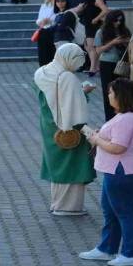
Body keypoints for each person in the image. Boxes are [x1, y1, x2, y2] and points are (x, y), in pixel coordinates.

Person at [79, 79, 133, 266]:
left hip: (121, 170)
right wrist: (101, 136)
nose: (108, 96)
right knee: (110, 209)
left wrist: (96, 139)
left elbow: (118, 147)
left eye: (111, 93)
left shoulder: (127, 119)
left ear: (121, 96)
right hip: (120, 169)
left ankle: (132, 253)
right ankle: (107, 248)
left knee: (124, 211)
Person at [33, 43, 97, 216]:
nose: (79, 65)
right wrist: (83, 92)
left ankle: (57, 203)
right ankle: (68, 207)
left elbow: (55, 100)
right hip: (69, 129)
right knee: (72, 164)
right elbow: (73, 109)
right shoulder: (67, 77)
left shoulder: (42, 72)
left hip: (49, 127)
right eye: (77, 60)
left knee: (57, 164)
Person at [93, 10, 130, 120]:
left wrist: (125, 42)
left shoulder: (124, 30)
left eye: (120, 21)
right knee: (109, 91)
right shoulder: (101, 32)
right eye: (115, 21)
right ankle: (109, 118)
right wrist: (113, 42)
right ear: (110, 20)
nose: (118, 23)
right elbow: (98, 50)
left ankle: (122, 115)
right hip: (107, 64)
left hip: (122, 63)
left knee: (122, 90)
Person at [71, 0, 108, 75]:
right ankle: (96, 67)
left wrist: (96, 19)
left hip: (94, 25)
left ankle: (93, 68)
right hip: (88, 25)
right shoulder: (89, 0)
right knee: (87, 47)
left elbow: (105, 10)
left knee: (91, 47)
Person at [35, 0, 61, 65]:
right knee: (42, 54)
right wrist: (42, 21)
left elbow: (61, 19)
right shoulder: (44, 6)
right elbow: (38, 20)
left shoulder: (61, 6)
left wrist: (50, 21)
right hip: (43, 31)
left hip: (54, 32)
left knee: (52, 54)